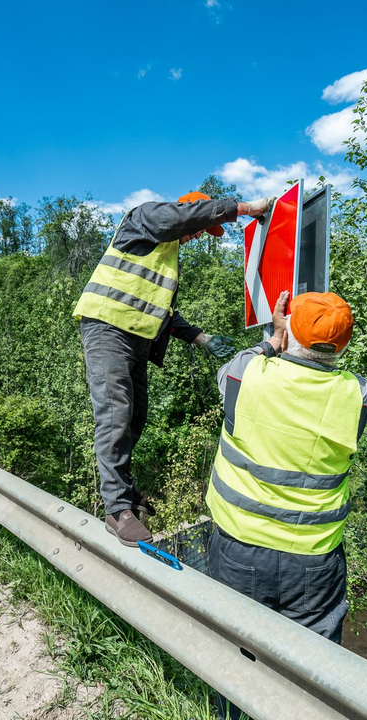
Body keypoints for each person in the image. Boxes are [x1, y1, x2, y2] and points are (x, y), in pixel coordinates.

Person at [73, 191, 275, 546]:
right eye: (201, 228)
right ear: (187, 212)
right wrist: (243, 209)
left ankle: (126, 492)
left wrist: (202, 338)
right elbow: (178, 218)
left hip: (136, 338)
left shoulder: (167, 259)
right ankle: (116, 508)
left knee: (135, 417)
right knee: (115, 414)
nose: (199, 235)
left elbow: (162, 311)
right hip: (107, 327)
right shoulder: (145, 219)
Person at [206, 290, 367, 720]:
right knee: (309, 674)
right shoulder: (358, 395)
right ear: (344, 344)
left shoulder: (247, 373)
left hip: (238, 546)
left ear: (287, 328)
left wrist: (272, 339)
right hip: (314, 559)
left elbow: (230, 370)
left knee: (232, 657)